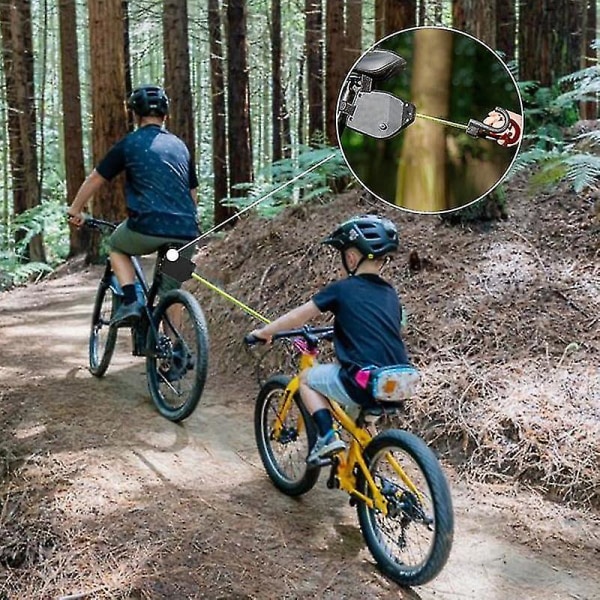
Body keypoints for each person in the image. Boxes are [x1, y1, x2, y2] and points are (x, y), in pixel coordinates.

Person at [249, 215, 410, 464]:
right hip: (398, 380)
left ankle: (326, 437)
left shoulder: (342, 289)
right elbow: (377, 327)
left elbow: (298, 316)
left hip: (362, 380)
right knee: (361, 424)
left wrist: (264, 332)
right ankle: (374, 474)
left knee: (306, 381)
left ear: (351, 258)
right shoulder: (390, 293)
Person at [67, 84, 200, 326]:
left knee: (116, 246)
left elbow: (97, 178)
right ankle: (176, 353)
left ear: (135, 115)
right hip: (186, 233)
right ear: (165, 115)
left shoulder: (129, 144)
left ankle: (131, 301)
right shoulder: (181, 147)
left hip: (147, 227)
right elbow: (192, 192)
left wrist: (75, 209)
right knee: (172, 291)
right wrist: (192, 223)